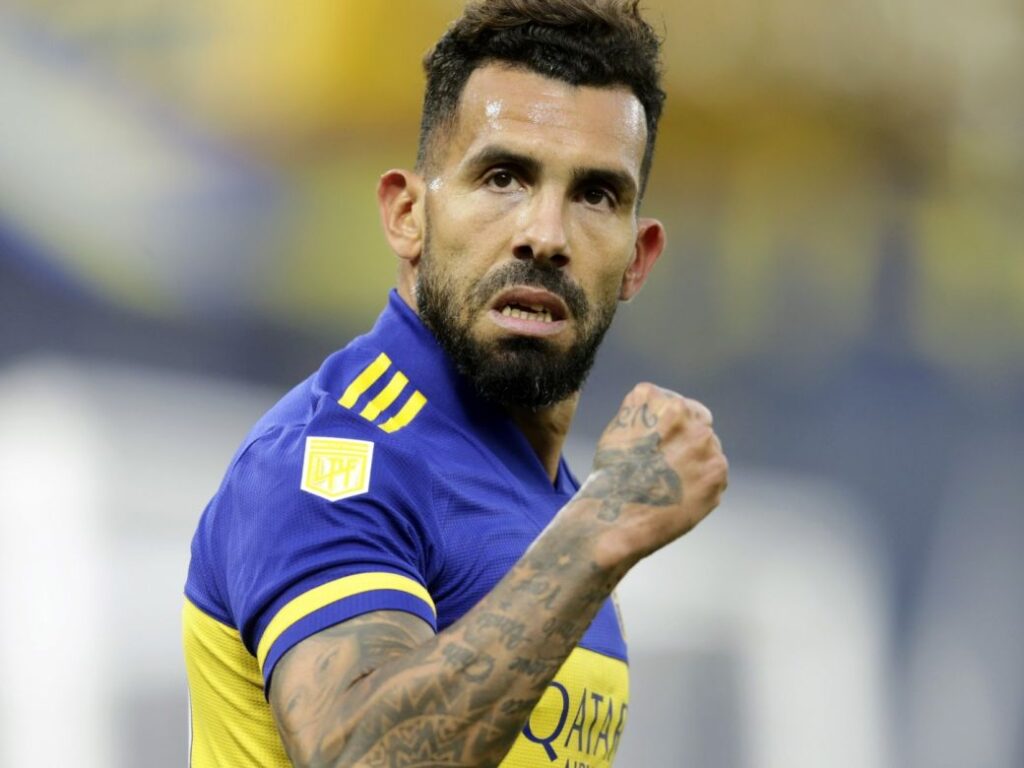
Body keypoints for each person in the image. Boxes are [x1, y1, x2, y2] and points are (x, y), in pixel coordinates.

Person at [182, 1, 728, 765]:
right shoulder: (333, 457)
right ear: (408, 215)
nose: (545, 235)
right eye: (503, 178)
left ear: (638, 259)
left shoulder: (549, 501)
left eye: (595, 195)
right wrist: (601, 531)